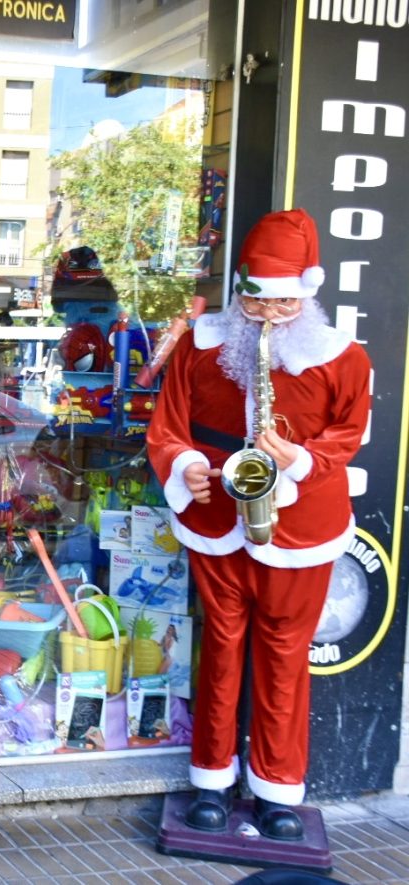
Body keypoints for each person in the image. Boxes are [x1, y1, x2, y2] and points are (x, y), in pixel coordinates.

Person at [147, 209, 371, 841]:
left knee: (284, 656)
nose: (267, 315)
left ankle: (276, 789)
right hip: (218, 514)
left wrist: (300, 459)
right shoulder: (201, 342)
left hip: (300, 524)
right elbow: (168, 426)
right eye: (255, 301)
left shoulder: (342, 357)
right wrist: (185, 464)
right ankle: (211, 781)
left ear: (307, 292)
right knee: (219, 650)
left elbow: (349, 435)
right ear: (239, 289)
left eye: (282, 303)